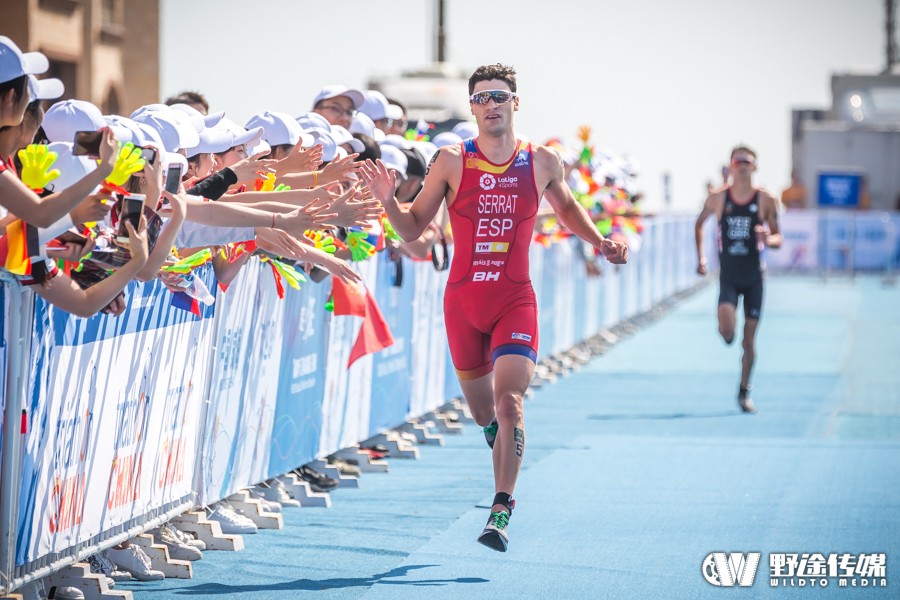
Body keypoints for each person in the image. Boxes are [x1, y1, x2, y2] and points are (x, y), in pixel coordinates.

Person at [360, 63, 627, 552]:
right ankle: (500, 443)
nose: (490, 105)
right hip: (463, 303)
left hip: (514, 300)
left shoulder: (541, 161)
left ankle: (500, 509)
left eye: (499, 96)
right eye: (481, 98)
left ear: (515, 103)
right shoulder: (450, 160)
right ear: (473, 107)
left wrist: (600, 241)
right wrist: (386, 202)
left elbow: (566, 209)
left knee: (510, 405)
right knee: (486, 414)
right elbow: (412, 229)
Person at [695, 145, 782, 413]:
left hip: (754, 278)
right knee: (727, 331)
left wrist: (768, 238)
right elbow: (698, 224)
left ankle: (744, 391)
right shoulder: (719, 199)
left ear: (754, 167)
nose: (743, 165)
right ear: (731, 166)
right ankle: (727, 331)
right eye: (738, 161)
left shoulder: (766, 200)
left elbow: (778, 238)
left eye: (748, 162)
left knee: (748, 341)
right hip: (729, 277)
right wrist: (701, 258)